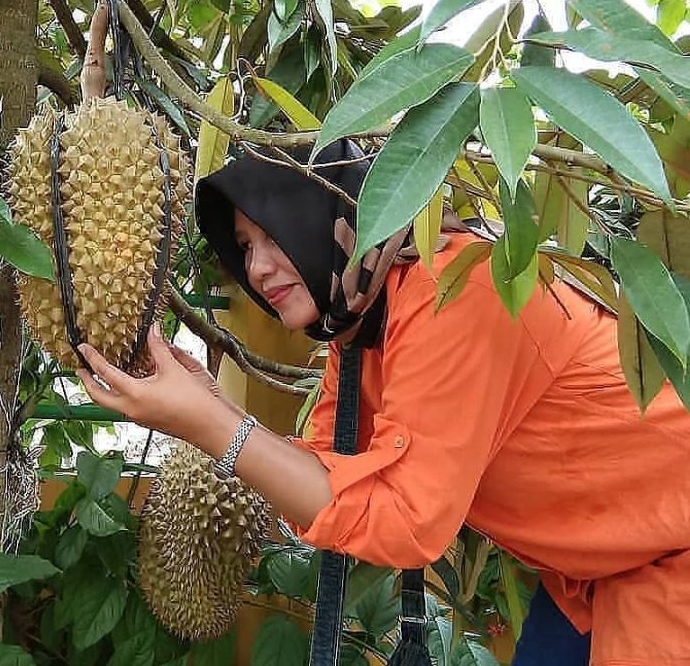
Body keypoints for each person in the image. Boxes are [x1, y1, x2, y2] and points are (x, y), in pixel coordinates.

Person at [76, 140, 690, 666]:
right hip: (591, 571)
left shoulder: (455, 290)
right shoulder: (363, 320)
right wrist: (213, 407)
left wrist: (211, 425)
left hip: (671, 555)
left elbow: (404, 520)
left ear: (322, 213)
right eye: (244, 246)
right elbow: (321, 483)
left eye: (271, 233)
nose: (257, 267)